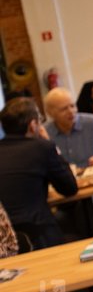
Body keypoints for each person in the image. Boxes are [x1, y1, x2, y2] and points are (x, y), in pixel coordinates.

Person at [0, 98, 77, 249]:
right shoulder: (42, 147)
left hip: (4, 239)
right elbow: (70, 188)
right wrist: (50, 143)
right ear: (33, 125)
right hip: (37, 233)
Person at [43, 87, 93, 167]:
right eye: (64, 109)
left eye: (72, 106)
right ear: (50, 113)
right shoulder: (44, 133)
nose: (71, 111)